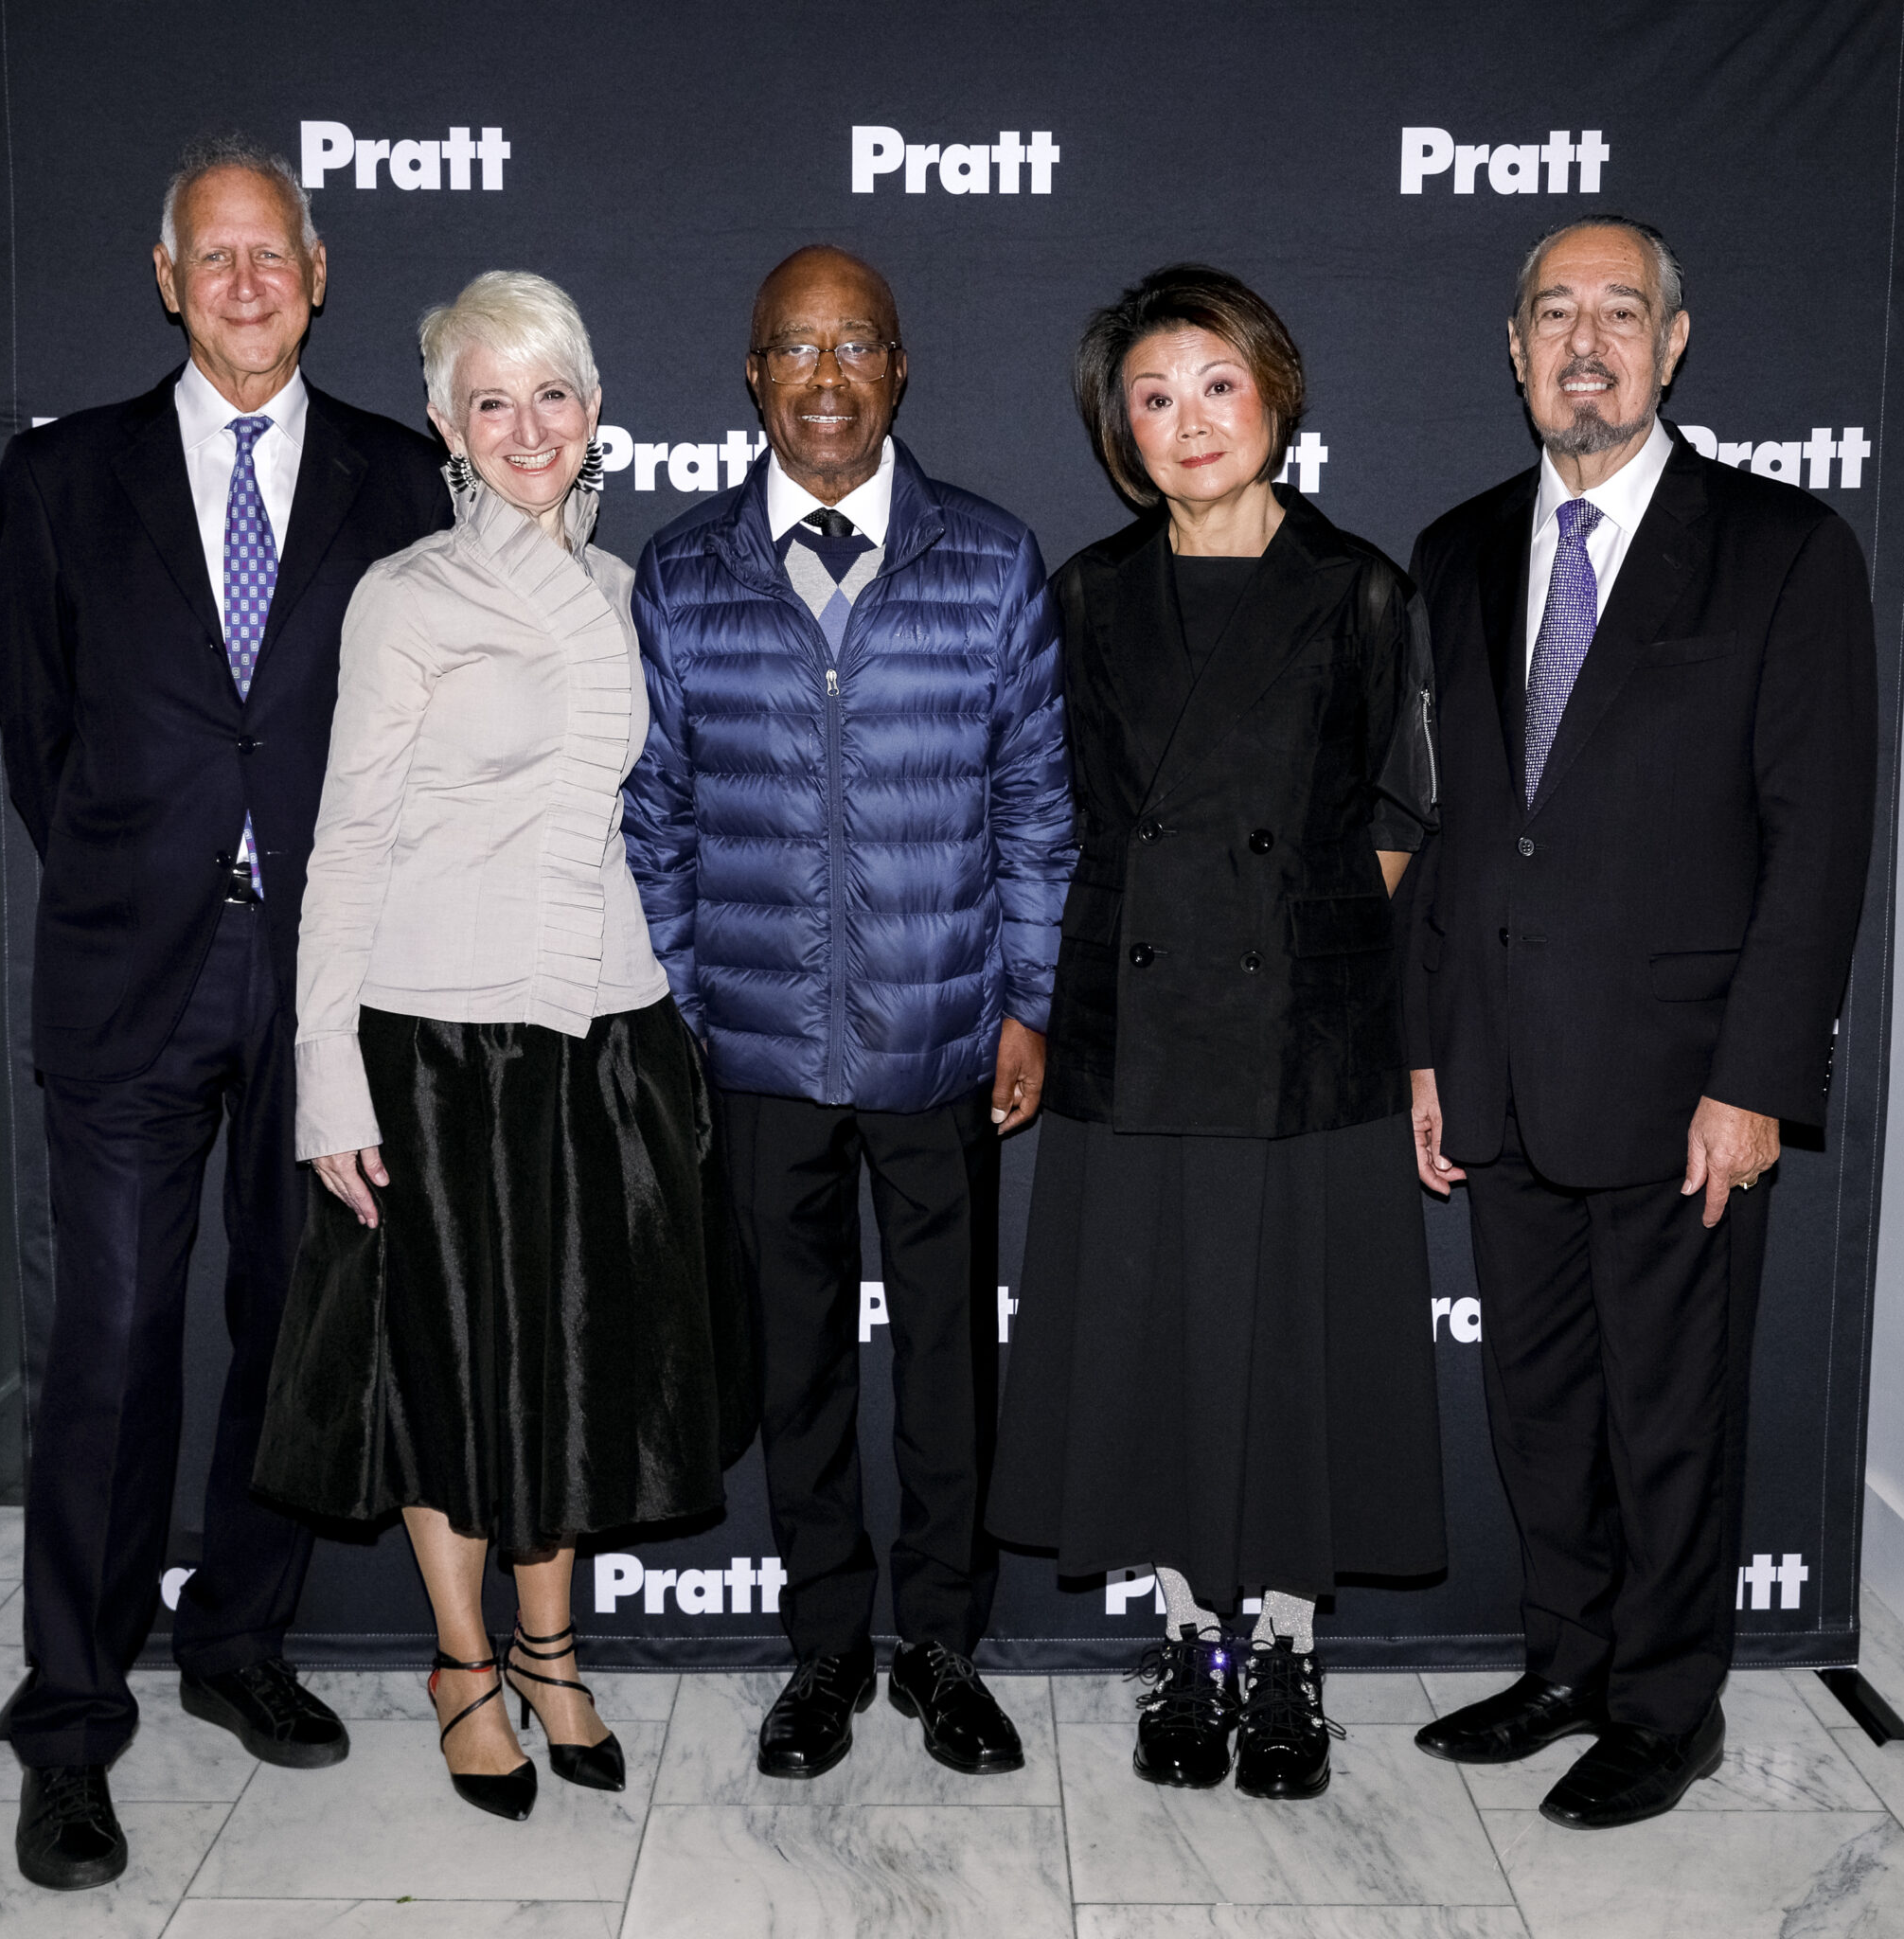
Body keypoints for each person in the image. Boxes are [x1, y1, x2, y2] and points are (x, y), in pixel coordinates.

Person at [0, 137, 452, 1892]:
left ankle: (239, 1639)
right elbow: (41, 738)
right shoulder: (61, 479)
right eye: (215, 255)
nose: (248, 281)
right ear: (169, 279)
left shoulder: (405, 480)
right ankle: (70, 1715)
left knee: (289, 1320)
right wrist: (153, 865)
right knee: (107, 1344)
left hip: (331, 972)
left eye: (277, 253)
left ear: (318, 278)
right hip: (132, 963)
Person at [254, 272, 752, 1823]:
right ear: (447, 428)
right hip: (434, 1041)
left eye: (554, 396)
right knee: (448, 1368)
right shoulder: (407, 595)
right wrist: (326, 1071)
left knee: (572, 1364)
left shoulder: (618, 593)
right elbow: (342, 849)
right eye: (493, 401)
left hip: (600, 1025)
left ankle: (555, 1650)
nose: (528, 428)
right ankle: (464, 1667)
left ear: (594, 413)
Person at [1404, 219, 1876, 1828]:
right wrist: (1428, 1045)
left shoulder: (1781, 550)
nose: (1585, 341)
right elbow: (1456, 831)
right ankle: (1569, 1664)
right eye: (1555, 313)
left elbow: (1817, 846)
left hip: (1685, 1089)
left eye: (1622, 312)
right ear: (1515, 347)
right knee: (1539, 1409)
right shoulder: (1459, 548)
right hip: (1502, 1073)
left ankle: (1669, 1713)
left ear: (1675, 345)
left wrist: (1757, 1081)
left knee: (1671, 1418)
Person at [986, 264, 1448, 1801]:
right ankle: (1191, 1642)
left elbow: (1393, 809)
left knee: (1300, 1347)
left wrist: (1309, 938)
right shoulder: (1087, 595)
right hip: (1139, 1035)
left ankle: (1293, 1651)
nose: (1189, 422)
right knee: (1164, 1341)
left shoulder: (1364, 588)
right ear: (1120, 430)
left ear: (1277, 392)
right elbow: (1056, 814)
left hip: (1308, 1043)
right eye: (1154, 397)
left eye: (1217, 386)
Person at [623, 245, 1074, 1781]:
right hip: (754, 1058)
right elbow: (656, 820)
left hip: (944, 1043)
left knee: (946, 1363)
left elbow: (1036, 805)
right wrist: (687, 1011)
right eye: (793, 348)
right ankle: (823, 1649)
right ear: (752, 377)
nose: (825, 374)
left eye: (856, 344)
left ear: (899, 370)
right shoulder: (683, 577)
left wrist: (1028, 999)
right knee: (795, 1366)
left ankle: (942, 1643)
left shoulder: (991, 562)